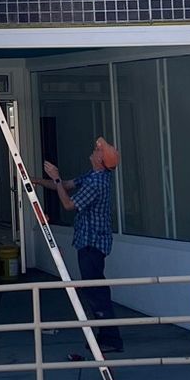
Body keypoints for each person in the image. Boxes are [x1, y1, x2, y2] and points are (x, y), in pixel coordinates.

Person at [43, 138, 124, 354]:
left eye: (98, 151)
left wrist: (56, 178)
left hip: (92, 244)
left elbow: (68, 204)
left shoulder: (96, 183)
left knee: (96, 291)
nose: (94, 151)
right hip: (90, 242)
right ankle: (106, 336)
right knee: (95, 289)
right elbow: (66, 185)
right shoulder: (94, 176)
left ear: (101, 160)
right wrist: (37, 181)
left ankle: (110, 338)